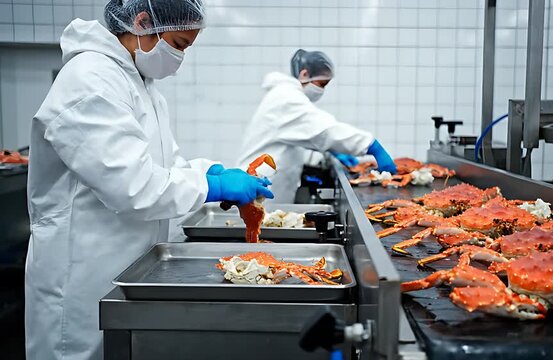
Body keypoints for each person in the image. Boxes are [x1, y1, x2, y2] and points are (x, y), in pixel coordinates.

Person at [25, 1, 272, 359]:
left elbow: (165, 165)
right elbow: (133, 186)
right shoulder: (91, 80)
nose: (179, 57)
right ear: (143, 22)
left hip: (125, 262)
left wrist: (208, 172)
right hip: (83, 271)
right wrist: (211, 187)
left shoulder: (139, 81)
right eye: (179, 43)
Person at [236, 49, 397, 203]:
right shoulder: (286, 98)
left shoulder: (285, 95)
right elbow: (324, 130)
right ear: (304, 74)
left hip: (264, 189)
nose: (322, 89)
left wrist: (329, 154)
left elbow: (295, 143)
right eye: (321, 83)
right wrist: (371, 146)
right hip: (254, 193)